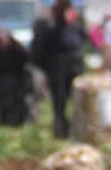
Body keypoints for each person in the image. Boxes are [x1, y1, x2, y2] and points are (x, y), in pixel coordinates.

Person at [31, 0, 90, 138]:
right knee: (59, 102)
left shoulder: (76, 22)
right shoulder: (47, 23)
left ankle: (78, 131)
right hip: (58, 66)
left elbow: (84, 39)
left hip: (75, 65)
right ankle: (61, 131)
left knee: (78, 100)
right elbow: (40, 48)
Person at [0, 27, 31, 126]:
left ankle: (17, 121)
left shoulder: (16, 47)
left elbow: (25, 60)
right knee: (5, 103)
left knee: (17, 102)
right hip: (4, 80)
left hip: (17, 79)